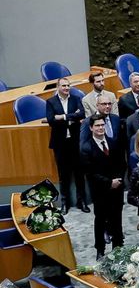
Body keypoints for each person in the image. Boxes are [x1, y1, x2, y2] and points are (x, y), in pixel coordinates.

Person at [81, 114, 126, 258]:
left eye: (102, 125)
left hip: (116, 188)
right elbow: (90, 172)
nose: (100, 128)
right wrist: (108, 183)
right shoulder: (86, 147)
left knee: (117, 218)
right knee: (100, 219)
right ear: (91, 128)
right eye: (97, 126)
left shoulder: (114, 143)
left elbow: (122, 164)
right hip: (100, 191)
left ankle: (118, 247)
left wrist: (117, 180)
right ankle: (100, 249)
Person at [46, 77, 88, 213]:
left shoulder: (76, 99)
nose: (66, 88)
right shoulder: (51, 102)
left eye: (68, 85)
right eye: (63, 86)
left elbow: (82, 113)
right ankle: (65, 203)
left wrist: (62, 117)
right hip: (60, 144)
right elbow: (51, 120)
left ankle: (82, 202)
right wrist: (71, 116)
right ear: (58, 87)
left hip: (75, 142)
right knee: (63, 175)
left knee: (79, 174)